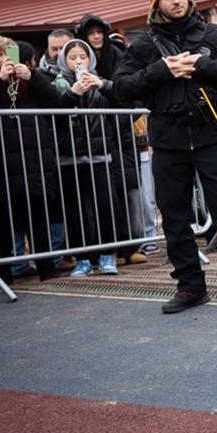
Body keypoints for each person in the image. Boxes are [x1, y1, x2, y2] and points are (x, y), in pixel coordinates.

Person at [114, 0, 217, 314]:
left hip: (211, 136)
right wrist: (162, 70)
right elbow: (121, 87)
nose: (176, 0)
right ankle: (190, 286)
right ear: (157, 4)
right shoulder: (144, 45)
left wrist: (204, 65)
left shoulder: (213, 34)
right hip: (168, 140)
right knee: (174, 216)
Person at [0, 34, 64, 285]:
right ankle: (3, 274)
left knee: (38, 215)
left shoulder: (30, 76)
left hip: (33, 158)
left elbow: (55, 103)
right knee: (1, 220)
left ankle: (48, 268)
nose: (4, 60)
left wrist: (33, 78)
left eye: (8, 55)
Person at [54, 38, 136, 277]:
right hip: (69, 158)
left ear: (90, 59)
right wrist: (72, 93)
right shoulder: (57, 83)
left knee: (106, 207)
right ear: (64, 61)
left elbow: (126, 104)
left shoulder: (102, 82)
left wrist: (102, 86)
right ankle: (83, 259)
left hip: (100, 156)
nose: (78, 61)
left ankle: (106, 255)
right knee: (76, 210)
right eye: (73, 58)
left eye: (82, 57)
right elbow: (54, 117)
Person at [76, 14, 125, 96]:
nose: (96, 36)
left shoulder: (118, 54)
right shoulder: (78, 56)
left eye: (99, 32)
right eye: (90, 33)